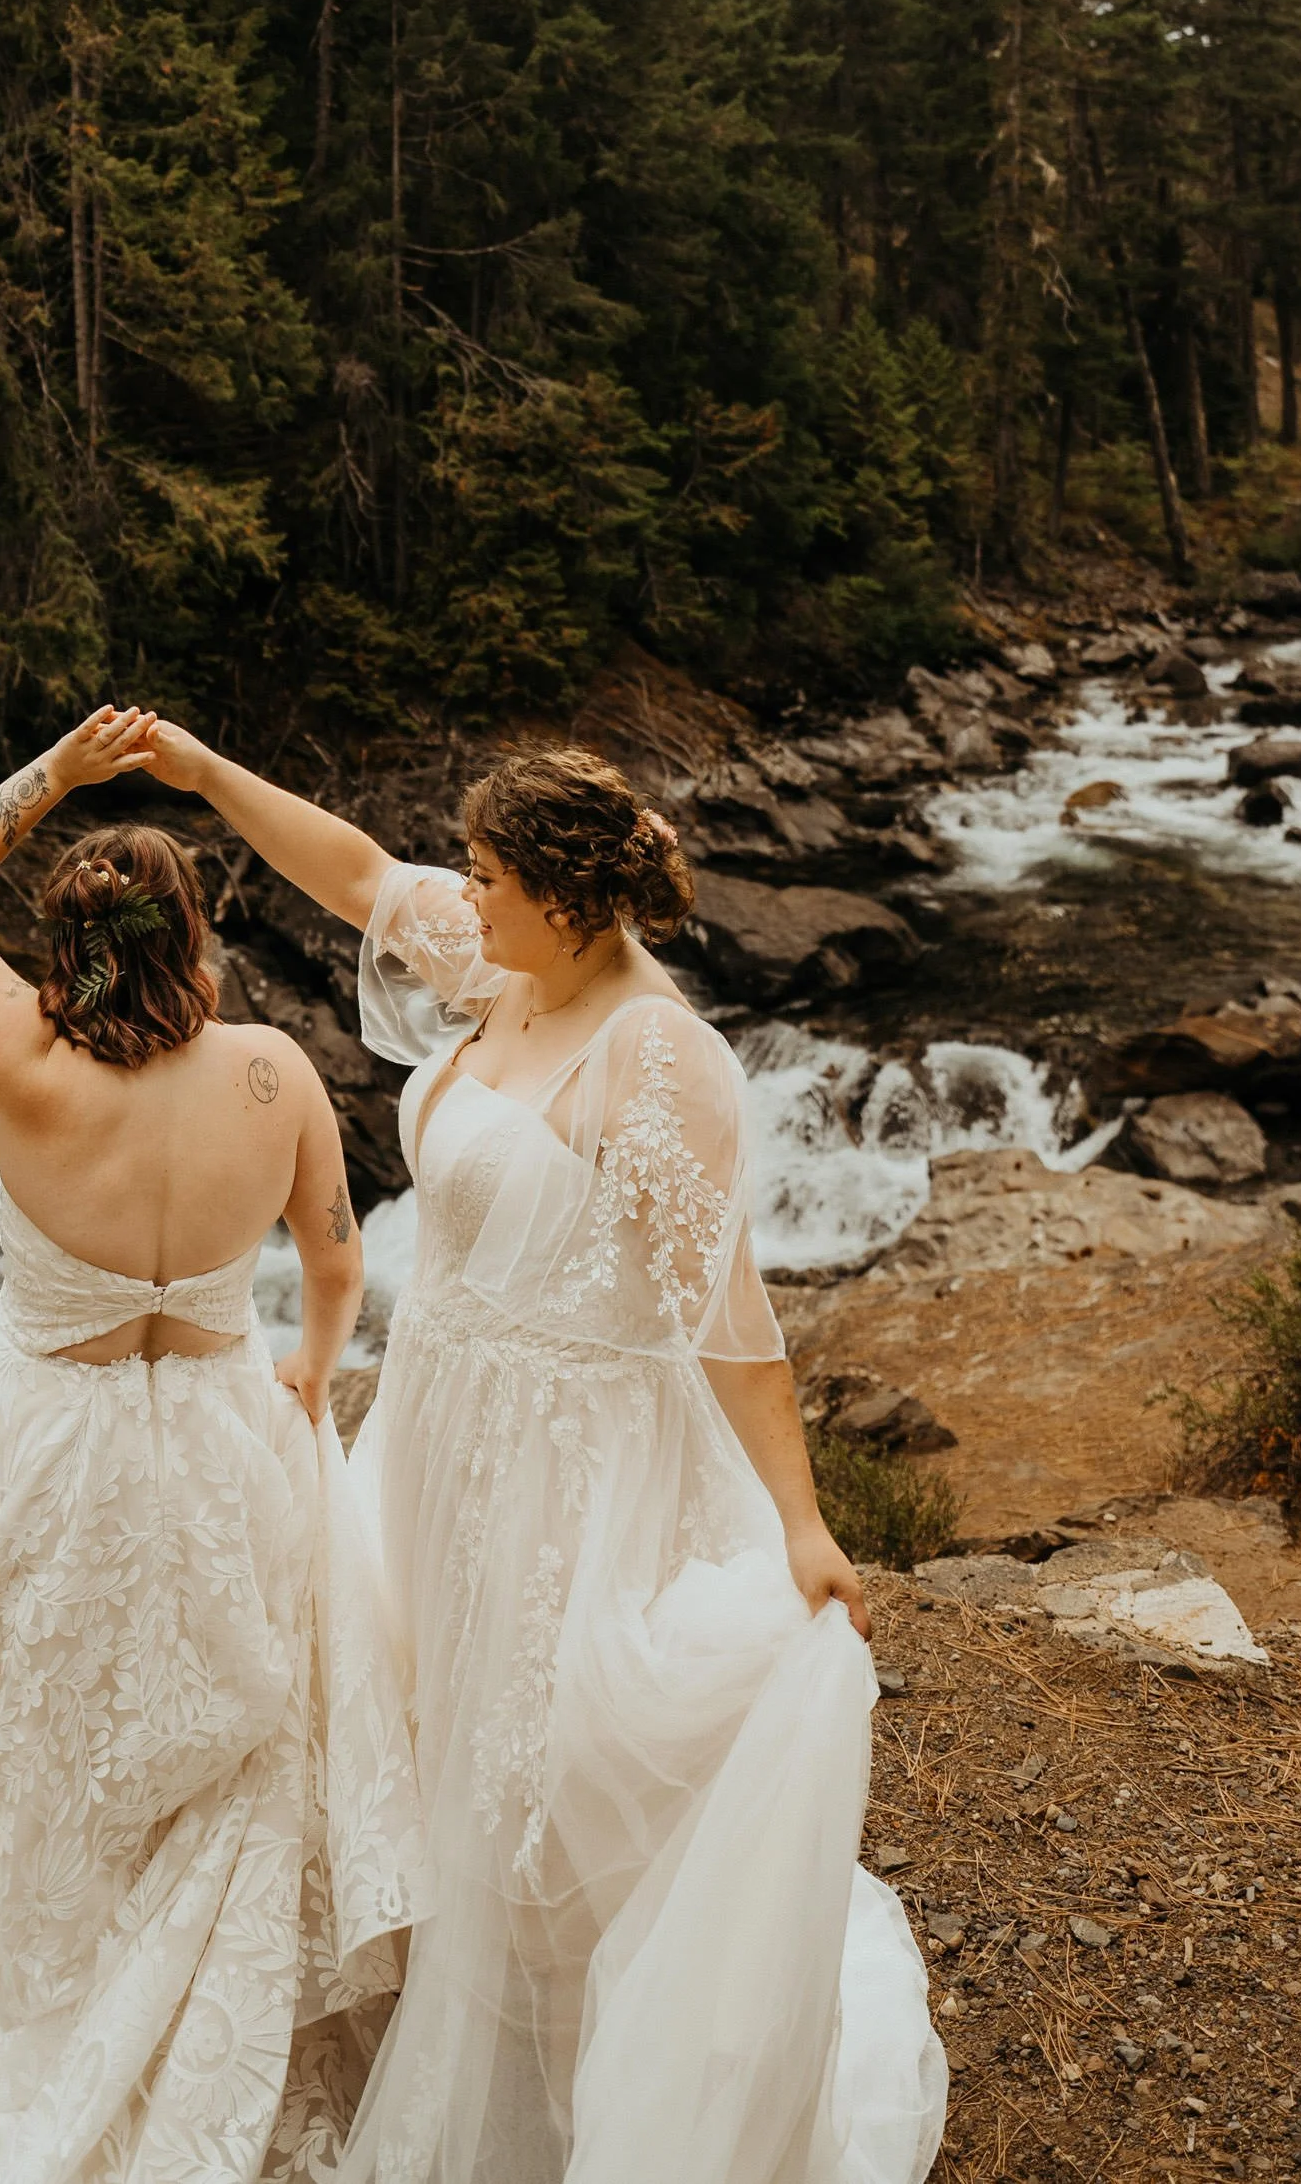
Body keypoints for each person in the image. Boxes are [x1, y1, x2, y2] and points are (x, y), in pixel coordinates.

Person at [136, 723, 948, 2184]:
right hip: (439, 1427)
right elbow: (359, 873)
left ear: (569, 901)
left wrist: (803, 1522)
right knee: (429, 1725)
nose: (463, 893)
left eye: (491, 873)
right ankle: (445, 2025)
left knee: (542, 1775)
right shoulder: (509, 964)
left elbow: (727, 1310)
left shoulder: (657, 1057)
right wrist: (203, 774)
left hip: (569, 1464)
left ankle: (566, 2085)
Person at [0, 705, 425, 2184]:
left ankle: (60, 1942)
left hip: (48, 1438)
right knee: (223, 1730)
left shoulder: (20, 1058)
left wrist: (56, 773)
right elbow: (334, 1265)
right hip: (215, 1432)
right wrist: (310, 1377)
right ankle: (196, 1962)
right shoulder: (275, 1075)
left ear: (63, 951)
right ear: (194, 935)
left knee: (52, 1702)